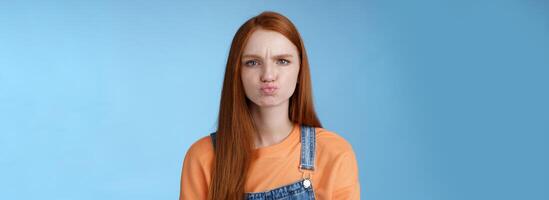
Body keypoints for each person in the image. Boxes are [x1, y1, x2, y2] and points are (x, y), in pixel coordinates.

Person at [179, 11, 360, 200]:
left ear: (300, 70)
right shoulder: (202, 157)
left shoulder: (334, 153)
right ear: (237, 73)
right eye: (252, 62)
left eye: (282, 61)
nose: (268, 75)